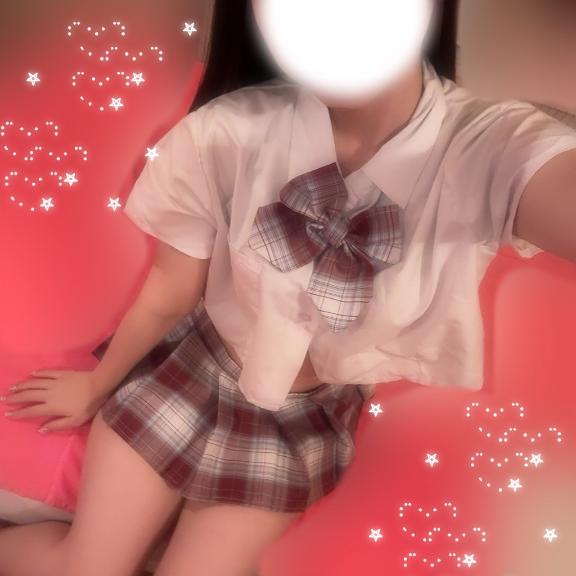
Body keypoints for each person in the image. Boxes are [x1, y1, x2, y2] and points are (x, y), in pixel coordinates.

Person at [2, 1, 576, 575]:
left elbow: (543, 173)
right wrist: (97, 385)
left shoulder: (488, 144)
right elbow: (169, 288)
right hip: (188, 373)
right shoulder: (225, 130)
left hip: (295, 423)